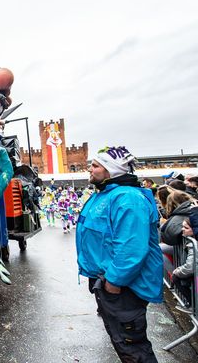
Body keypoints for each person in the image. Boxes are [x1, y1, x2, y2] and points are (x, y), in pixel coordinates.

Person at [76, 146, 162, 362]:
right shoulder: (108, 194)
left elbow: (132, 249)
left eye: (95, 166)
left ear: (111, 171)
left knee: (133, 347)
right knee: (123, 343)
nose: (90, 170)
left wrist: (113, 282)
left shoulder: (127, 198)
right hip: (109, 282)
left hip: (123, 287)